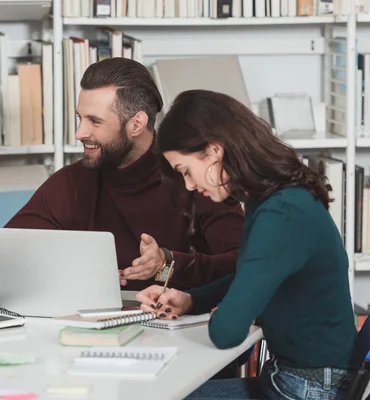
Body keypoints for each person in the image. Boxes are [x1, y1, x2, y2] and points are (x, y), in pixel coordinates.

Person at [136, 89, 358, 399]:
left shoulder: (281, 214)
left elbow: (226, 331)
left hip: (308, 387)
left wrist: (228, 311)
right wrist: (192, 300)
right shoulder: (272, 198)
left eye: (185, 171)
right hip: (306, 378)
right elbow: (249, 279)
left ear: (214, 152)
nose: (189, 185)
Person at [0, 58, 245, 292]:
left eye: (95, 121)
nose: (79, 133)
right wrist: (74, 272)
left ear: (137, 123)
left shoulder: (192, 177)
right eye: (80, 118)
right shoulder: (72, 183)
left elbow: (245, 264)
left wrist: (166, 264)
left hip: (186, 338)